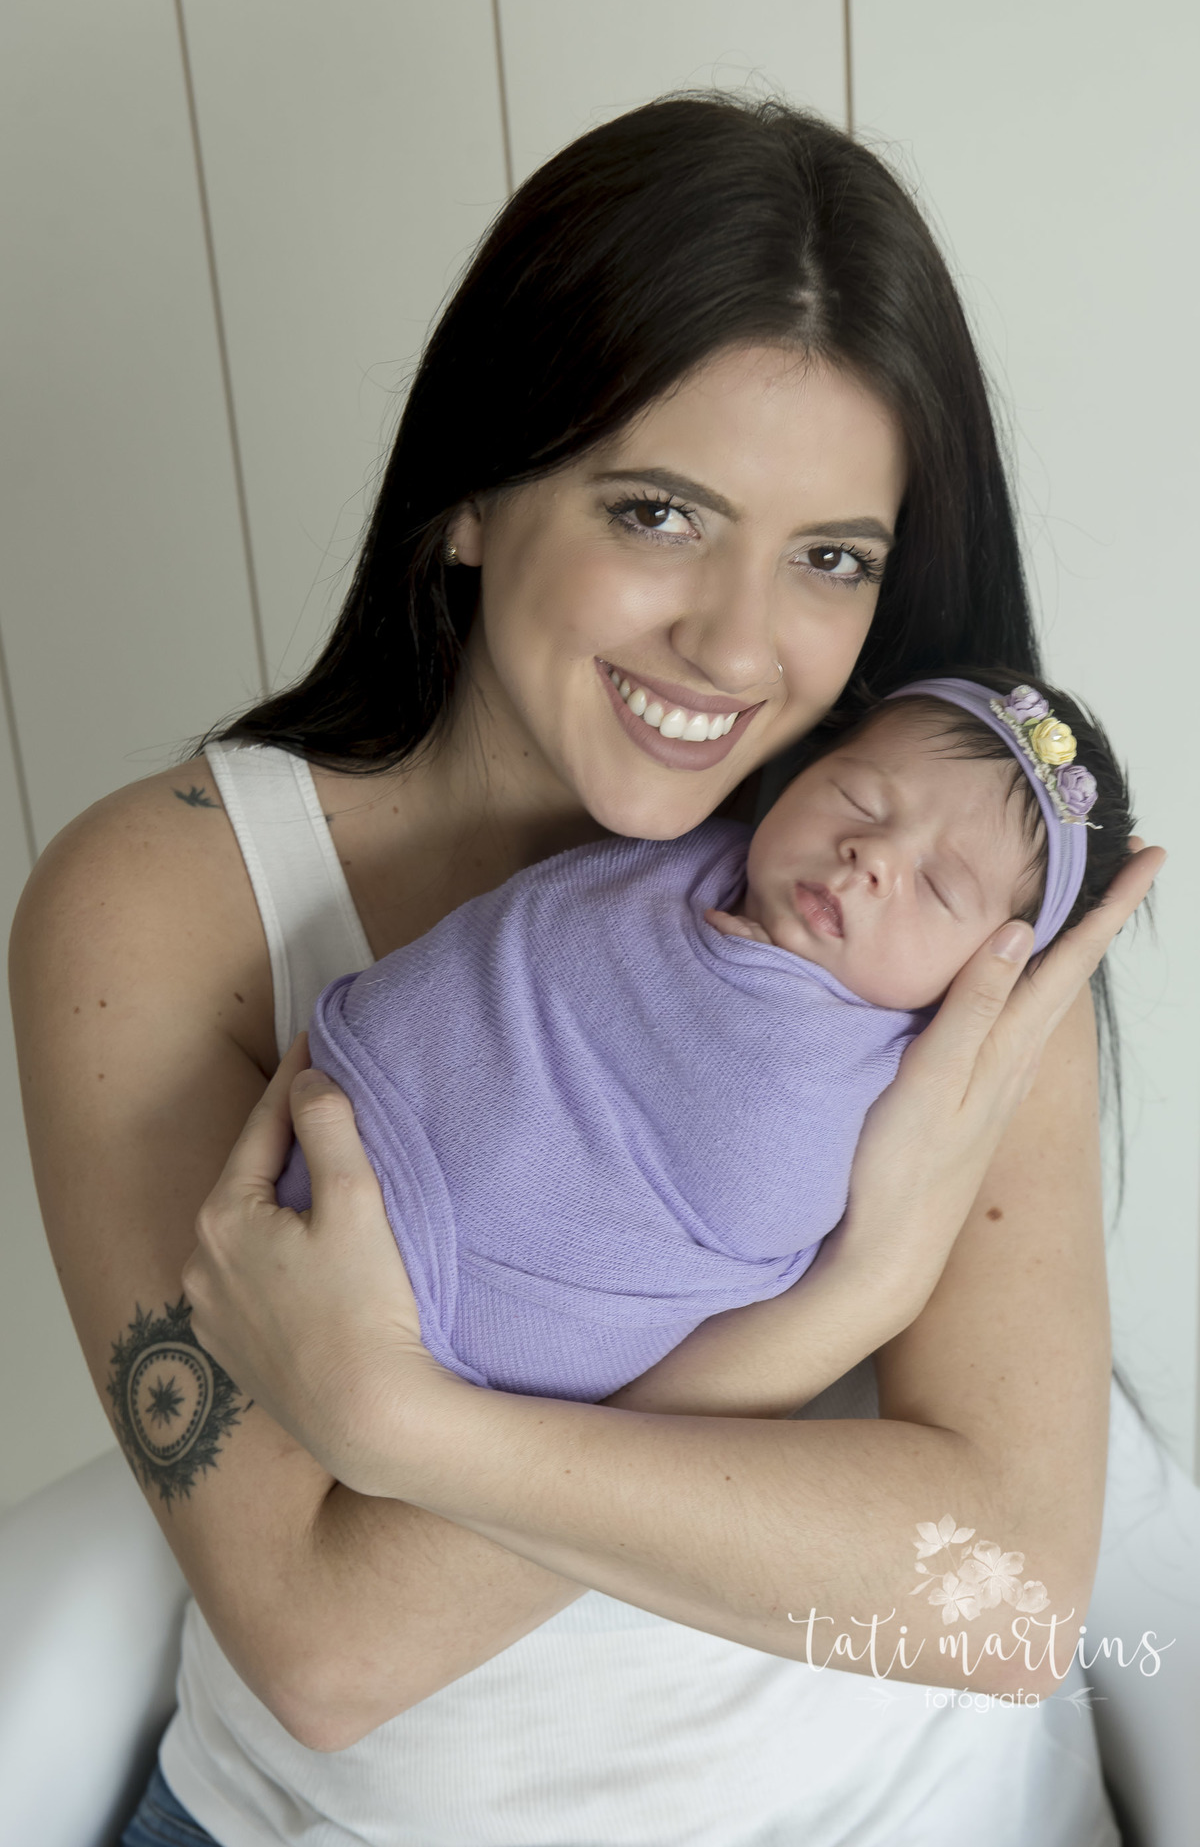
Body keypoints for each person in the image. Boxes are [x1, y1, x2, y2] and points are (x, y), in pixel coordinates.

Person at [10, 94, 1161, 1847]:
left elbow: (999, 1598)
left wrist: (404, 1430)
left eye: (831, 557)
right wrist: (824, 1311)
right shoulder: (170, 902)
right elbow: (326, 1647)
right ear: (476, 495)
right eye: (658, 514)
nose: (737, 645)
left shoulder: (920, 899)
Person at [270, 668, 1133, 1409]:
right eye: (859, 798)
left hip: (483, 1333)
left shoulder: (898, 1081)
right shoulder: (671, 857)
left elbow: (766, 1204)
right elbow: (520, 947)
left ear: (990, 967)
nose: (872, 855)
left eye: (939, 885)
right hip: (333, 1138)